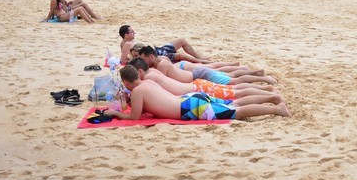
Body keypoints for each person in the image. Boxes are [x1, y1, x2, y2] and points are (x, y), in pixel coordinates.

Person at [104, 65, 290, 121]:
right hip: (191, 98)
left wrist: (115, 113)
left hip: (189, 107)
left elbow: (135, 117)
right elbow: (148, 104)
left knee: (236, 111)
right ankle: (270, 98)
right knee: (235, 101)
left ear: (126, 82)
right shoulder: (149, 82)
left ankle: (275, 108)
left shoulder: (137, 91)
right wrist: (127, 101)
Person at [128, 58, 274, 99]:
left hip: (198, 83)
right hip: (197, 82)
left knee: (235, 86)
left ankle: (265, 85)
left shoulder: (151, 77)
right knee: (233, 84)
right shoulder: (154, 70)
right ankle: (263, 84)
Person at [140, 46, 277, 85]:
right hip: (199, 75)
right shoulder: (162, 60)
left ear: (151, 56)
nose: (143, 62)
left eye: (143, 59)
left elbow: (163, 83)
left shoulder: (162, 64)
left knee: (233, 81)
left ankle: (264, 79)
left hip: (200, 75)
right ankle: (256, 73)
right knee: (229, 76)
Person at [119, 25, 211, 65]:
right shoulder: (127, 44)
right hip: (156, 54)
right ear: (126, 35)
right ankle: (200, 60)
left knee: (182, 41)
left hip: (157, 50)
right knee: (180, 56)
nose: (134, 33)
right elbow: (123, 61)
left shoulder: (127, 43)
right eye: (132, 32)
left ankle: (199, 57)